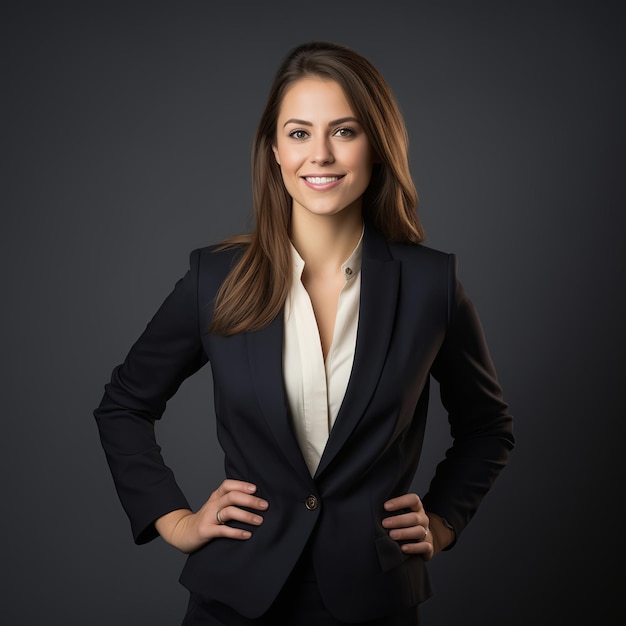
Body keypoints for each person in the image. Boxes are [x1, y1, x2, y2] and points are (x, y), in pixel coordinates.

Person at [94, 41, 514, 626]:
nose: (320, 154)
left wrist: (443, 523)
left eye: (344, 131)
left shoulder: (430, 284)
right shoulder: (215, 278)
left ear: (378, 146)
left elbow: (487, 428)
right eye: (298, 133)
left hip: (374, 598)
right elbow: (124, 406)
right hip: (236, 597)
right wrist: (175, 520)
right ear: (273, 150)